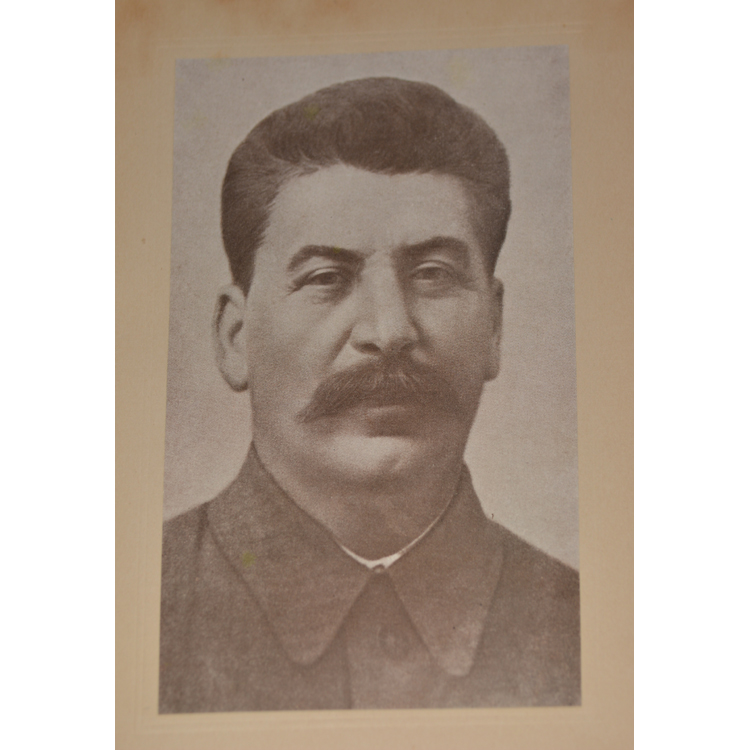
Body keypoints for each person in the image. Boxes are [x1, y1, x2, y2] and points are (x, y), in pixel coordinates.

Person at [159, 77, 580, 712]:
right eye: (327, 278)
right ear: (235, 337)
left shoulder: (602, 632)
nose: (389, 331)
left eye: (433, 274)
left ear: (494, 328)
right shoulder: (120, 610)